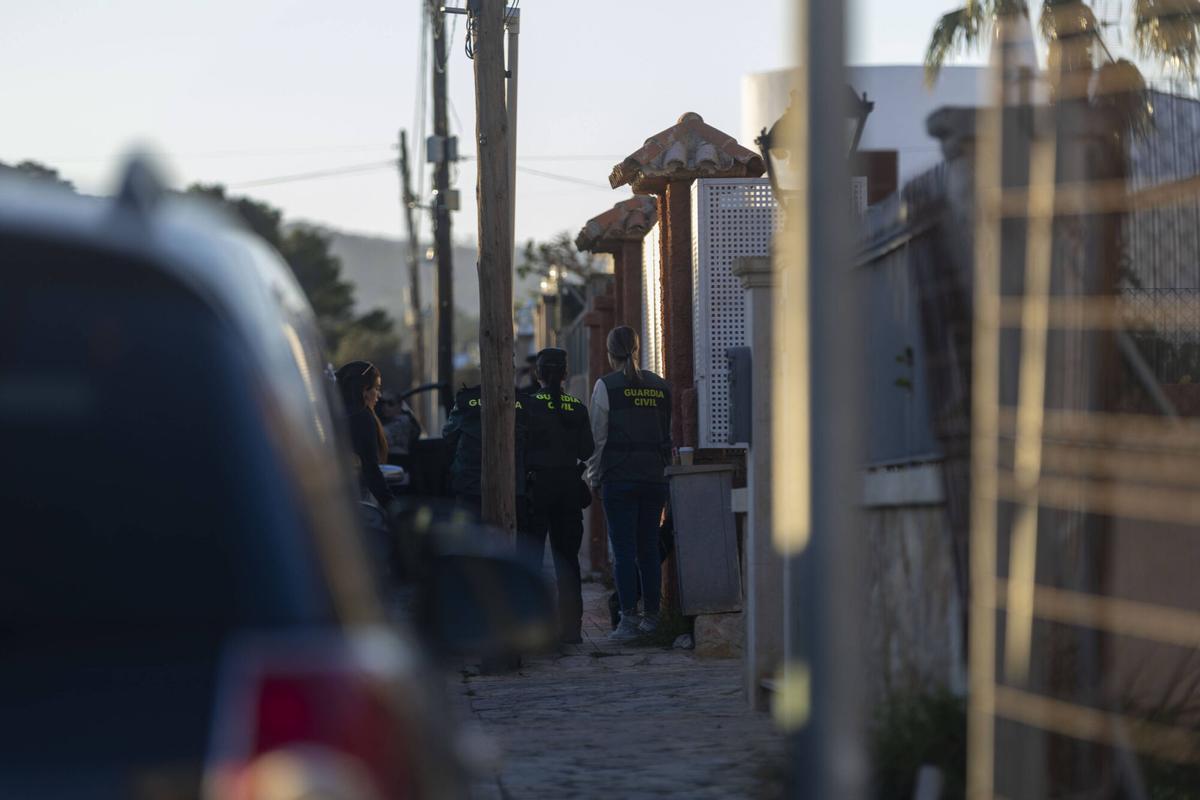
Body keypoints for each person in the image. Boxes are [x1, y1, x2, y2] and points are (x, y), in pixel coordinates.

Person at [586, 326, 672, 641]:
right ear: (637, 349)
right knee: (648, 548)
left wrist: (594, 477)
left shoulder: (606, 386)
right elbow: (667, 433)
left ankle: (628, 621)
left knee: (623, 551)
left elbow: (597, 438)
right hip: (654, 479)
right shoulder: (661, 386)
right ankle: (653, 618)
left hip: (619, 478)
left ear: (610, 354)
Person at [521, 348, 595, 644]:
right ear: (565, 374)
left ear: (537, 374)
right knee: (567, 561)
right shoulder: (577, 407)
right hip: (567, 488)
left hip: (535, 489)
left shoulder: (526, 405)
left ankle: (532, 628)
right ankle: (572, 630)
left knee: (530, 560)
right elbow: (586, 451)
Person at [442, 383, 529, 522]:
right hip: (512, 485)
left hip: (471, 484)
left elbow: (448, 435)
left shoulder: (466, 399)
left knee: (469, 531)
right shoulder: (522, 400)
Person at [335, 360, 394, 510]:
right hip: (360, 508)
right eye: (377, 388)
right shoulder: (362, 417)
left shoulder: (334, 415)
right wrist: (393, 508)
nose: (379, 395)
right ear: (364, 390)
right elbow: (371, 470)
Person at [377, 390, 422, 458]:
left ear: (400, 405)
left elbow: (381, 436)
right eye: (382, 403)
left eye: (391, 403)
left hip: (399, 461)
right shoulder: (386, 420)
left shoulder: (403, 421)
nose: (385, 407)